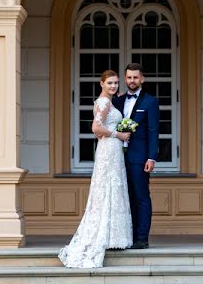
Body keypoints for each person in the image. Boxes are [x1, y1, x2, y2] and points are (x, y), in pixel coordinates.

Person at [58, 70, 133, 268]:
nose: (113, 86)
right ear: (101, 84)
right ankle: (105, 236)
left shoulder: (107, 101)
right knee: (107, 188)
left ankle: (113, 236)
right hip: (109, 148)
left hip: (110, 148)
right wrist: (118, 134)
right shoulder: (104, 102)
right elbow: (95, 128)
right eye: (109, 83)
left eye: (116, 83)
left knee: (111, 187)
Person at [112, 63, 159, 249]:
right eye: (129, 77)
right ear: (125, 79)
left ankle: (141, 238)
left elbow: (154, 131)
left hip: (140, 158)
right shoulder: (118, 101)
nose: (132, 81)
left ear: (142, 79)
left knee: (141, 197)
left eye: (136, 77)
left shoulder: (150, 102)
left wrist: (151, 157)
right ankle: (127, 237)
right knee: (124, 197)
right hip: (117, 157)